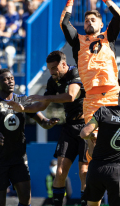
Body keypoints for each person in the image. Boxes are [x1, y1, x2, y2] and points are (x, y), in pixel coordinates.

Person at [60, 0, 120, 198]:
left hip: (115, 96)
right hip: (91, 100)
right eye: (86, 20)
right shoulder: (78, 41)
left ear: (100, 24)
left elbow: (118, 15)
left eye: (93, 20)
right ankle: (95, 179)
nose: (89, 23)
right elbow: (64, 23)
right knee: (92, 139)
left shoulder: (109, 37)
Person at [8, 51, 88, 206]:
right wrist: (23, 109)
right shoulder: (53, 81)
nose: (52, 72)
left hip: (86, 126)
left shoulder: (76, 72)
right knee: (59, 171)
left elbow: (71, 96)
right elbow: (41, 105)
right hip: (69, 127)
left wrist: (45, 98)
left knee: (84, 171)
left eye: (54, 68)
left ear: (64, 64)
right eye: (49, 69)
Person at [0, 68, 59, 206]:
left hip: (19, 158)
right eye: (5, 79)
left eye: (11, 78)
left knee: (25, 199)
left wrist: (49, 122)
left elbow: (42, 122)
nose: (10, 81)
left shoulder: (22, 101)